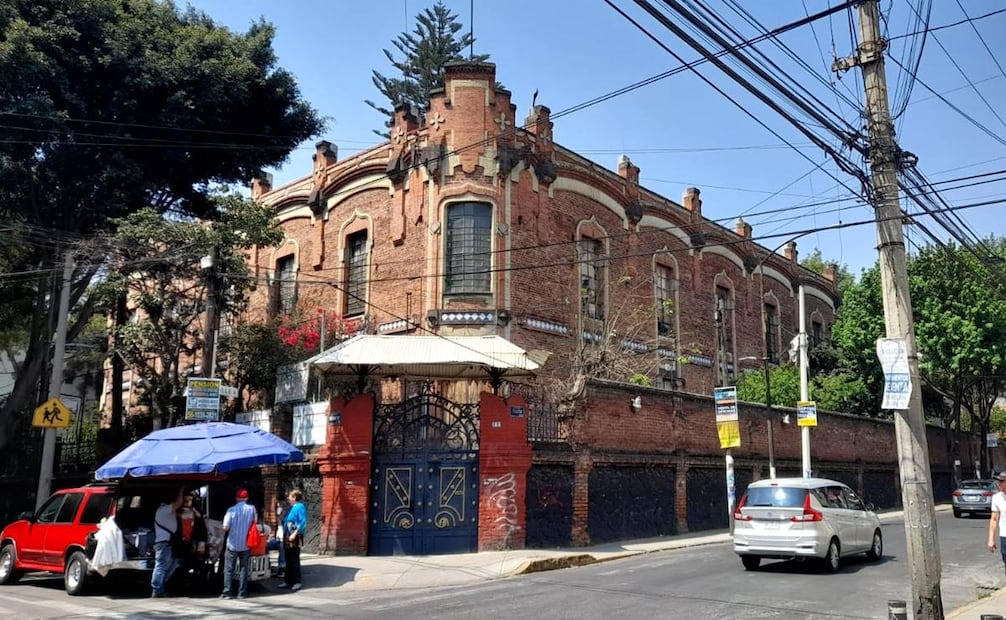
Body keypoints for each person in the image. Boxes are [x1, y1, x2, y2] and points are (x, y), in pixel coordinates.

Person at [220, 488, 258, 599]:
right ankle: (242, 592)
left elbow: (226, 527)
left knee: (229, 569)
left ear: (236, 498)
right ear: (246, 498)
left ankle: (227, 592)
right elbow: (255, 522)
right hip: (246, 544)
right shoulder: (252, 509)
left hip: (232, 544)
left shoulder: (231, 510)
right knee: (244, 569)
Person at [151, 487, 184, 598]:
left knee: (170, 565)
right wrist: (181, 490)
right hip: (163, 543)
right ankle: (157, 589)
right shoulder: (164, 510)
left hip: (166, 543)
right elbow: (178, 503)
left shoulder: (164, 510)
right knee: (161, 566)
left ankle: (160, 587)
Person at [278, 488, 307, 592]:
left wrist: (295, 534)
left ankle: (297, 581)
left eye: (289, 496)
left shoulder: (300, 507)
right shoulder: (291, 508)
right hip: (287, 534)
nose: (288, 498)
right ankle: (288, 580)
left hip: (294, 534)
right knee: (288, 558)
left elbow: (302, 521)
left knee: (294, 559)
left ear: (294, 497)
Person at [988, 472, 1006, 575]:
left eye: (1002, 481)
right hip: (1004, 535)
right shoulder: (997, 498)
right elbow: (994, 519)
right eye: (998, 481)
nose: (999, 484)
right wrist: (991, 539)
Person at [267, 500, 287, 578]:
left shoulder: (285, 520)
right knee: (265, 545)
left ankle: (282, 568)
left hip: (283, 540)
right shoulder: (278, 521)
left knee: (282, 547)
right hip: (278, 539)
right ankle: (267, 565)